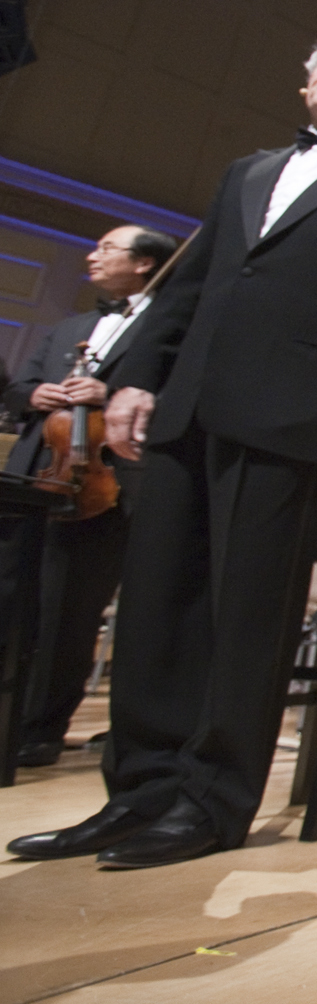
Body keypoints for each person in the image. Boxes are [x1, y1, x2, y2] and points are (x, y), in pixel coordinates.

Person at [10, 31, 317, 869]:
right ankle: (135, 793)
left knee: (244, 613)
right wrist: (138, 378)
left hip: (287, 413)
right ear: (305, 81)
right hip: (188, 407)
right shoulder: (247, 171)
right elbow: (192, 280)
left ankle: (212, 801)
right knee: (154, 608)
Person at [1, 225, 178, 767]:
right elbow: (13, 390)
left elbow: (176, 399)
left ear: (146, 264)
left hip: (104, 485)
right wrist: (36, 393)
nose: (92, 255)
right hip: (35, 474)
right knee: (9, 598)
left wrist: (115, 393)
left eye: (106, 248)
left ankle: (41, 727)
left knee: (67, 611)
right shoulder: (68, 328)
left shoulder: (169, 330)